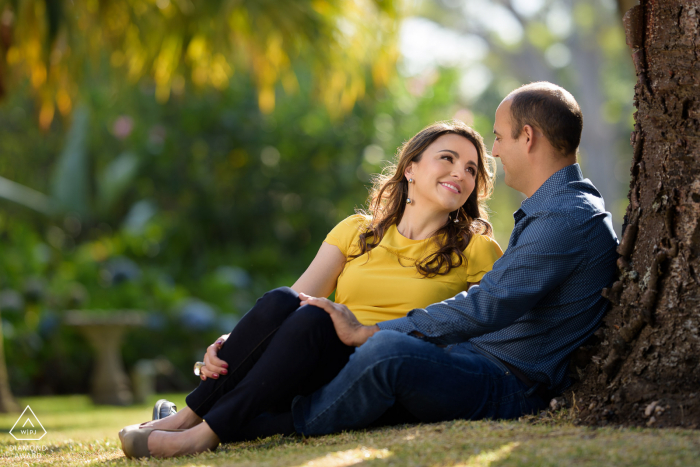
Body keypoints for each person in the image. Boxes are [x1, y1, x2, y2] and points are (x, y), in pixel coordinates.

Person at [119, 120, 504, 458]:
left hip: (384, 367)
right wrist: (234, 342)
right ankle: (187, 416)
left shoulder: (477, 249)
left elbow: (485, 322)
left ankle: (198, 434)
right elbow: (293, 301)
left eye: (472, 169)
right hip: (316, 359)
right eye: (448, 158)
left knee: (316, 321)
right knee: (287, 303)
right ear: (411, 169)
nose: (461, 173)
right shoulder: (357, 230)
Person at [291, 81, 619, 435]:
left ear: (527, 137)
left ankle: (287, 423)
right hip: (478, 361)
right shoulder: (560, 207)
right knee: (370, 346)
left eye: (499, 137)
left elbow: (487, 305)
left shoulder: (564, 216)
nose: (494, 151)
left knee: (388, 351)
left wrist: (371, 331)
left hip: (511, 383)